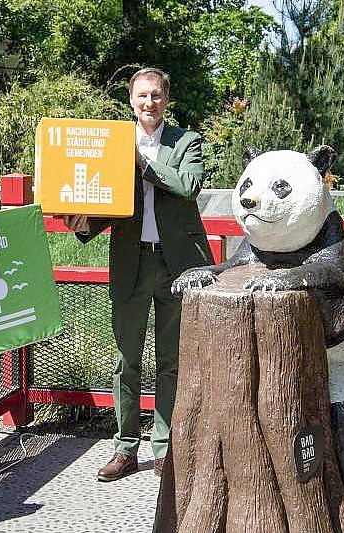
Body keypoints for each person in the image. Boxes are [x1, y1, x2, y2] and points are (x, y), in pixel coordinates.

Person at [63, 67, 213, 482]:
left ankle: (165, 449)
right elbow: (101, 197)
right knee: (126, 361)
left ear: (166, 100)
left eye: (157, 96)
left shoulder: (186, 141)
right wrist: (80, 222)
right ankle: (125, 448)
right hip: (132, 262)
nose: (150, 102)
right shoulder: (112, 144)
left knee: (171, 362)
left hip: (176, 264)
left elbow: (187, 186)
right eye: (142, 96)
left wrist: (141, 164)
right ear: (132, 100)